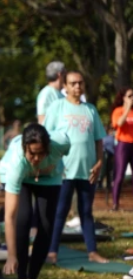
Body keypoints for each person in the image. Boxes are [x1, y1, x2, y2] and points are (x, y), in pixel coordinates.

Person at [0, 124, 69, 279]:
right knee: (23, 218)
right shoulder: (17, 162)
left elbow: (66, 153)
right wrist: (11, 255)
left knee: (46, 224)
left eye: (41, 153)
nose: (36, 158)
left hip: (49, 178)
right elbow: (10, 217)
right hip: (21, 177)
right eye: (32, 153)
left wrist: (51, 166)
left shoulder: (61, 143)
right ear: (24, 149)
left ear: (48, 148)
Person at [46, 71, 107, 264]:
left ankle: (92, 252)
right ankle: (52, 252)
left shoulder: (90, 110)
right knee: (60, 211)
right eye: (73, 83)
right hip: (63, 170)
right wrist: (53, 162)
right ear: (65, 86)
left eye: (80, 83)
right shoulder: (57, 107)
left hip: (87, 171)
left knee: (86, 211)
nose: (77, 87)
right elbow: (46, 137)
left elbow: (98, 139)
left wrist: (99, 162)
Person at [111, 87, 133, 211]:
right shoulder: (118, 111)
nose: (132, 99)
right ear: (124, 98)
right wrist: (127, 109)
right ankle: (115, 204)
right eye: (129, 96)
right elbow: (118, 124)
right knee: (119, 175)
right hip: (123, 144)